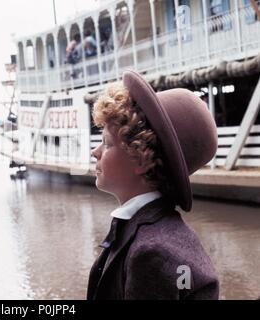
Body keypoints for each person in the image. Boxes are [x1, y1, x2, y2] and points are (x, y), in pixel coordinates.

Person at [88, 70, 219, 300]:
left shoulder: (152, 254)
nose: (95, 152)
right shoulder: (158, 233)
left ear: (141, 159)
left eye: (107, 144)